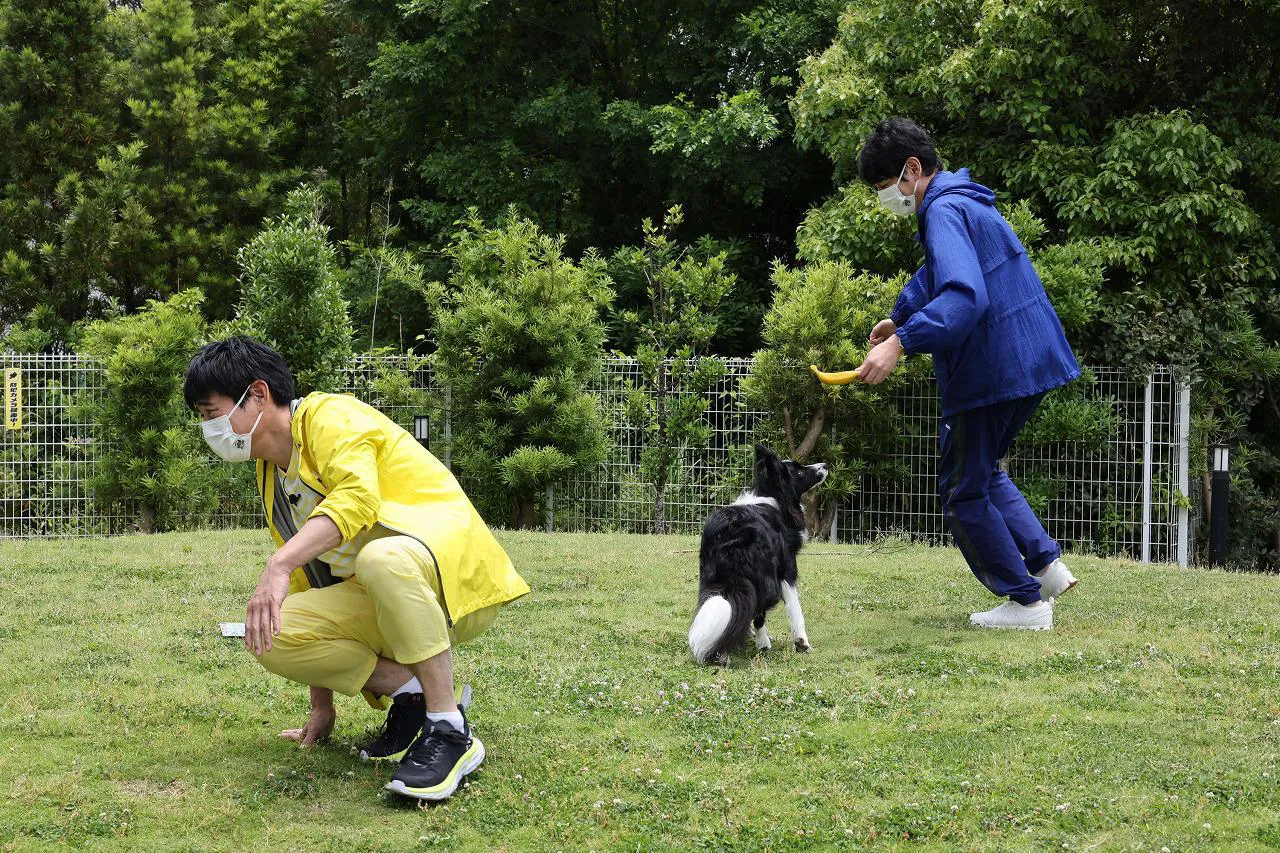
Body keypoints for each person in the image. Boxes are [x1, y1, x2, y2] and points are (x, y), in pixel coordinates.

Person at [184, 335, 529, 800]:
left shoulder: (330, 417)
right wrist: (321, 705)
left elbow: (357, 498)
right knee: (269, 630)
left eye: (212, 414)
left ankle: (448, 729)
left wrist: (279, 563)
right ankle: (411, 694)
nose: (211, 429)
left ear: (258, 395)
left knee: (379, 557)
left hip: (447, 580)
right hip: (383, 597)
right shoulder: (271, 474)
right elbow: (311, 580)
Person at [854, 117, 1081, 630]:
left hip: (991, 369)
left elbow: (962, 295)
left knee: (963, 489)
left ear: (912, 170)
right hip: (1026, 359)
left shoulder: (941, 210)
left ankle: (1026, 604)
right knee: (982, 470)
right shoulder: (964, 199)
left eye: (885, 188)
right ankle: (1045, 568)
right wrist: (903, 316)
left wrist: (901, 344)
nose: (886, 199)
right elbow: (940, 273)